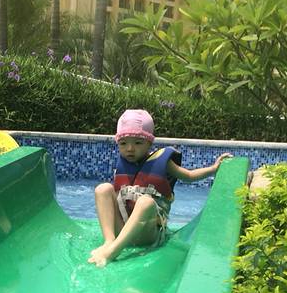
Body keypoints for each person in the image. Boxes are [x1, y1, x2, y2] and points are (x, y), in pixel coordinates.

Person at [88, 109, 232, 267]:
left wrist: (213, 169)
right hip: (123, 228)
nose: (130, 148)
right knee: (102, 189)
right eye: (123, 143)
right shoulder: (123, 163)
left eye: (137, 143)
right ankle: (109, 241)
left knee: (145, 202)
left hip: (149, 231)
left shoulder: (163, 162)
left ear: (149, 143)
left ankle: (113, 251)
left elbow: (189, 175)